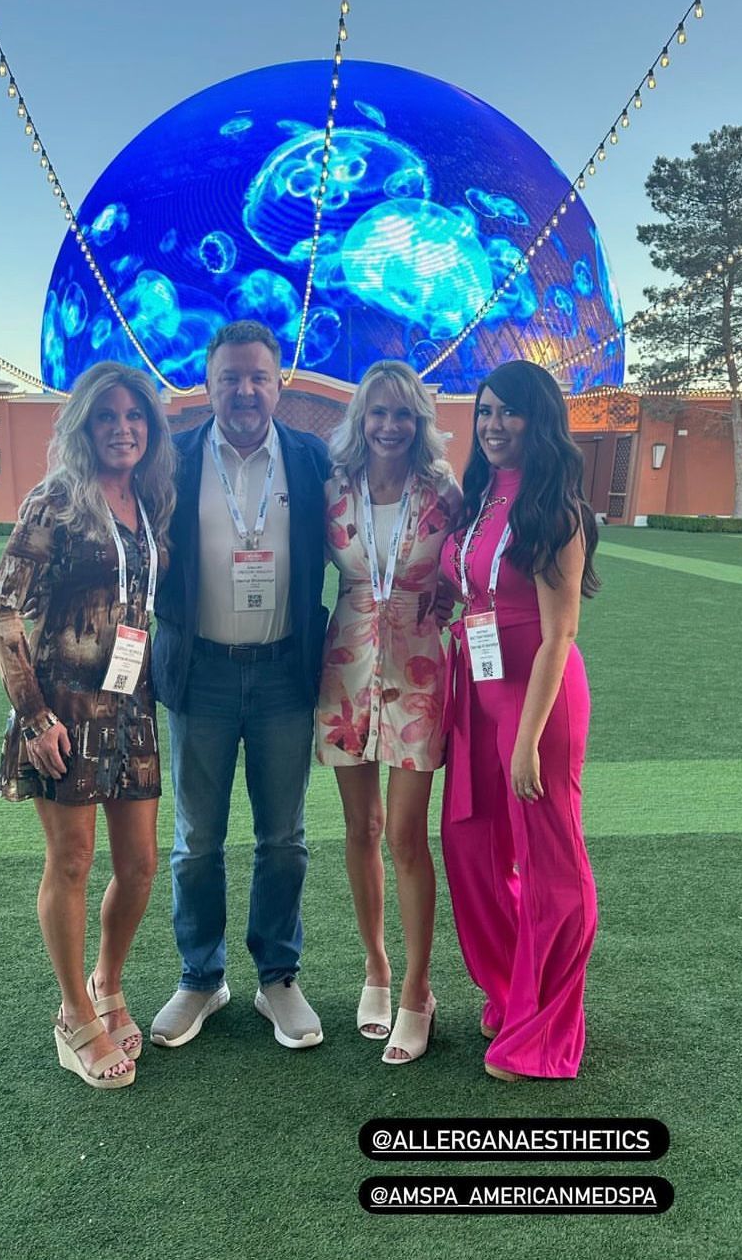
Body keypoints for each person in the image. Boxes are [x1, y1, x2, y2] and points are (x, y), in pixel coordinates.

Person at [0, 361, 175, 1089]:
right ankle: (73, 1016)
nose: (122, 428)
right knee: (71, 861)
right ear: (85, 425)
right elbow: (3, 611)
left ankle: (107, 981)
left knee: (140, 865)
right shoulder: (55, 500)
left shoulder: (146, 499)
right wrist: (31, 715)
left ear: (149, 429)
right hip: (61, 710)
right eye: (108, 417)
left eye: (135, 417)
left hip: (130, 706)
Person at [150, 320, 329, 1050]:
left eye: (258, 376)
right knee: (196, 841)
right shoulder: (175, 459)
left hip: (287, 670)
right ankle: (201, 978)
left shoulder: (314, 460)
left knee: (282, 838)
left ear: (278, 382)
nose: (245, 390)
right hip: (204, 676)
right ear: (209, 384)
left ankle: (277, 979)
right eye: (230, 377)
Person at [440, 359, 600, 1081]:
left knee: (551, 862)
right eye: (485, 412)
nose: (494, 425)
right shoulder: (478, 497)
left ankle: (548, 1027)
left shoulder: (556, 507)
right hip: (478, 690)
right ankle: (512, 991)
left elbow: (559, 631)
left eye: (509, 412)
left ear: (539, 420)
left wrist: (529, 740)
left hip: (537, 698)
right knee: (468, 844)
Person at [315, 360, 461, 1064]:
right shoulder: (332, 492)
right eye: (378, 413)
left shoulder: (444, 492)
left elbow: (469, 573)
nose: (389, 425)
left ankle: (417, 989)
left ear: (419, 421)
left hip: (419, 673)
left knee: (405, 834)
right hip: (345, 669)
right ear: (361, 421)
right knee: (360, 826)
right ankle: (373, 966)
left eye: (403, 414)